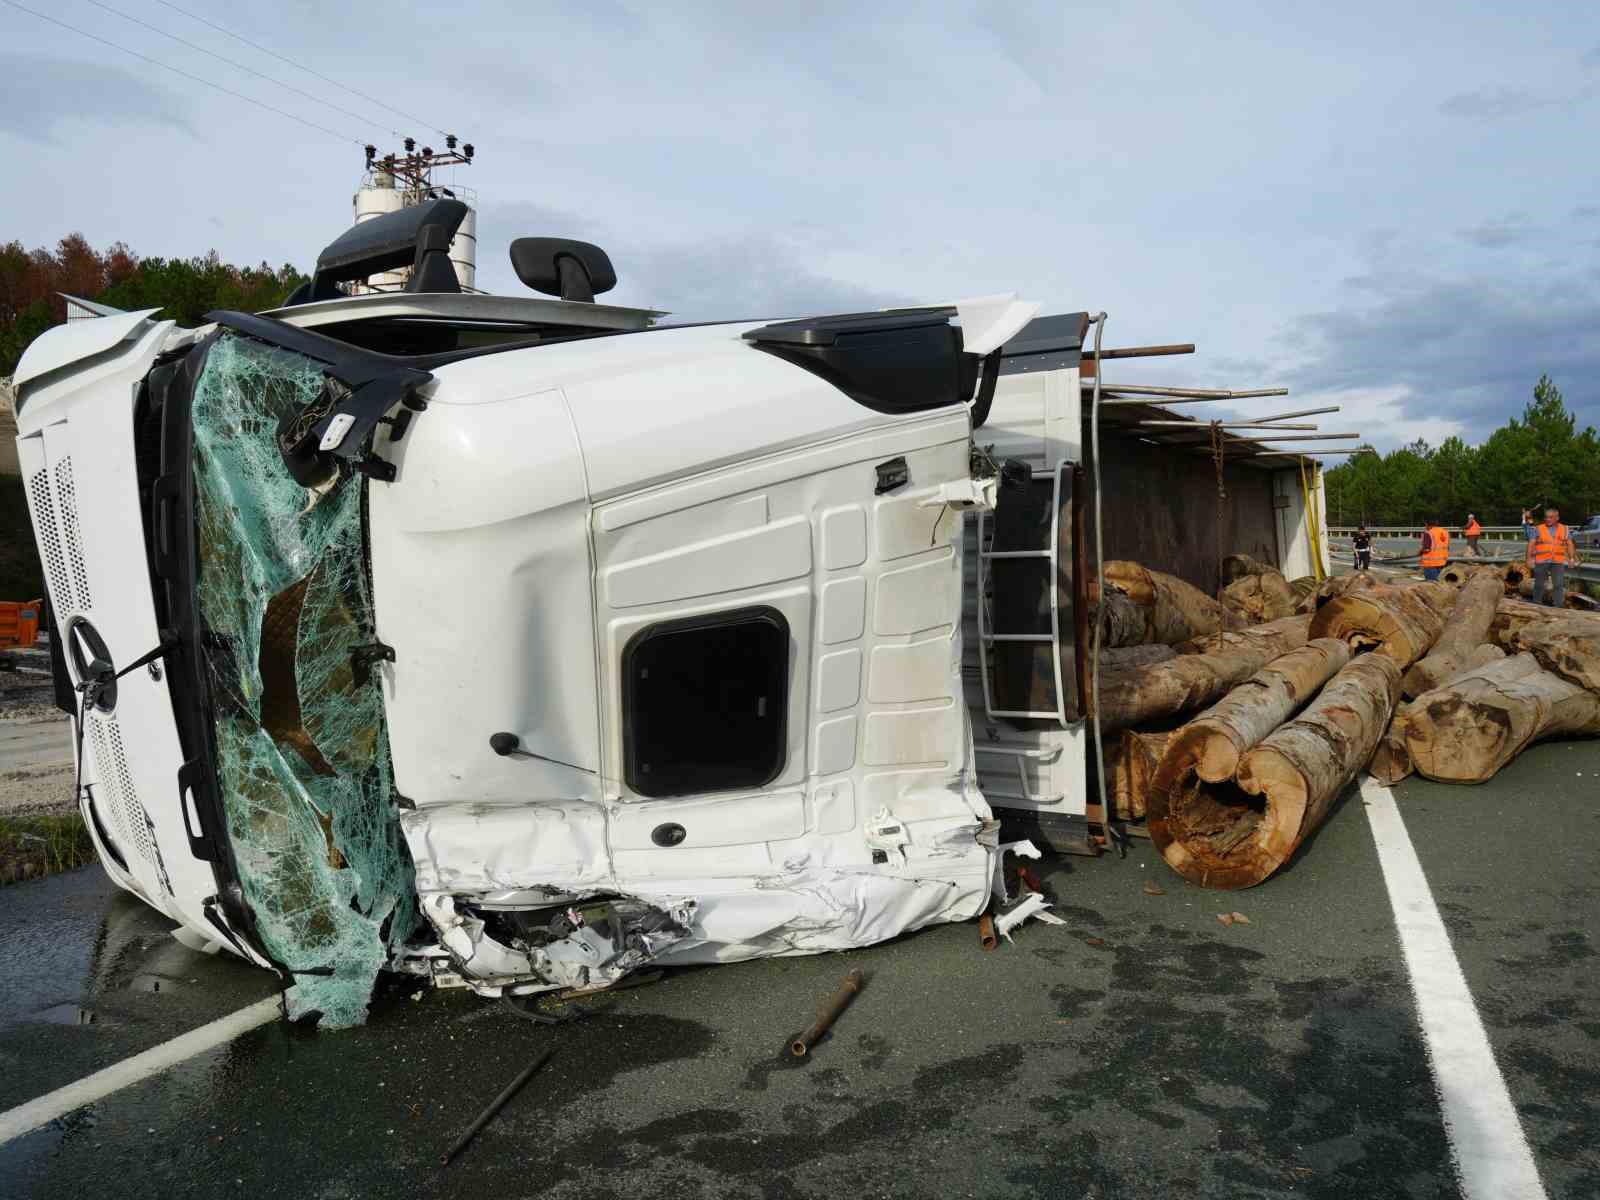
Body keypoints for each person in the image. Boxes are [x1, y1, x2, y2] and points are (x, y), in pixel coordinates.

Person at [1526, 506, 1576, 608]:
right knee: (1539, 584)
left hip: (1557, 561)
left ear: (1557, 518)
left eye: (1551, 517)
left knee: (1558, 585)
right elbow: (1531, 544)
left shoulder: (1565, 529)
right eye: (1546, 517)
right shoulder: (1538, 528)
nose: (1548, 519)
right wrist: (1529, 559)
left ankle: (1559, 607)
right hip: (1541, 560)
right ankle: (1536, 605)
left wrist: (1571, 558)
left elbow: (1570, 544)